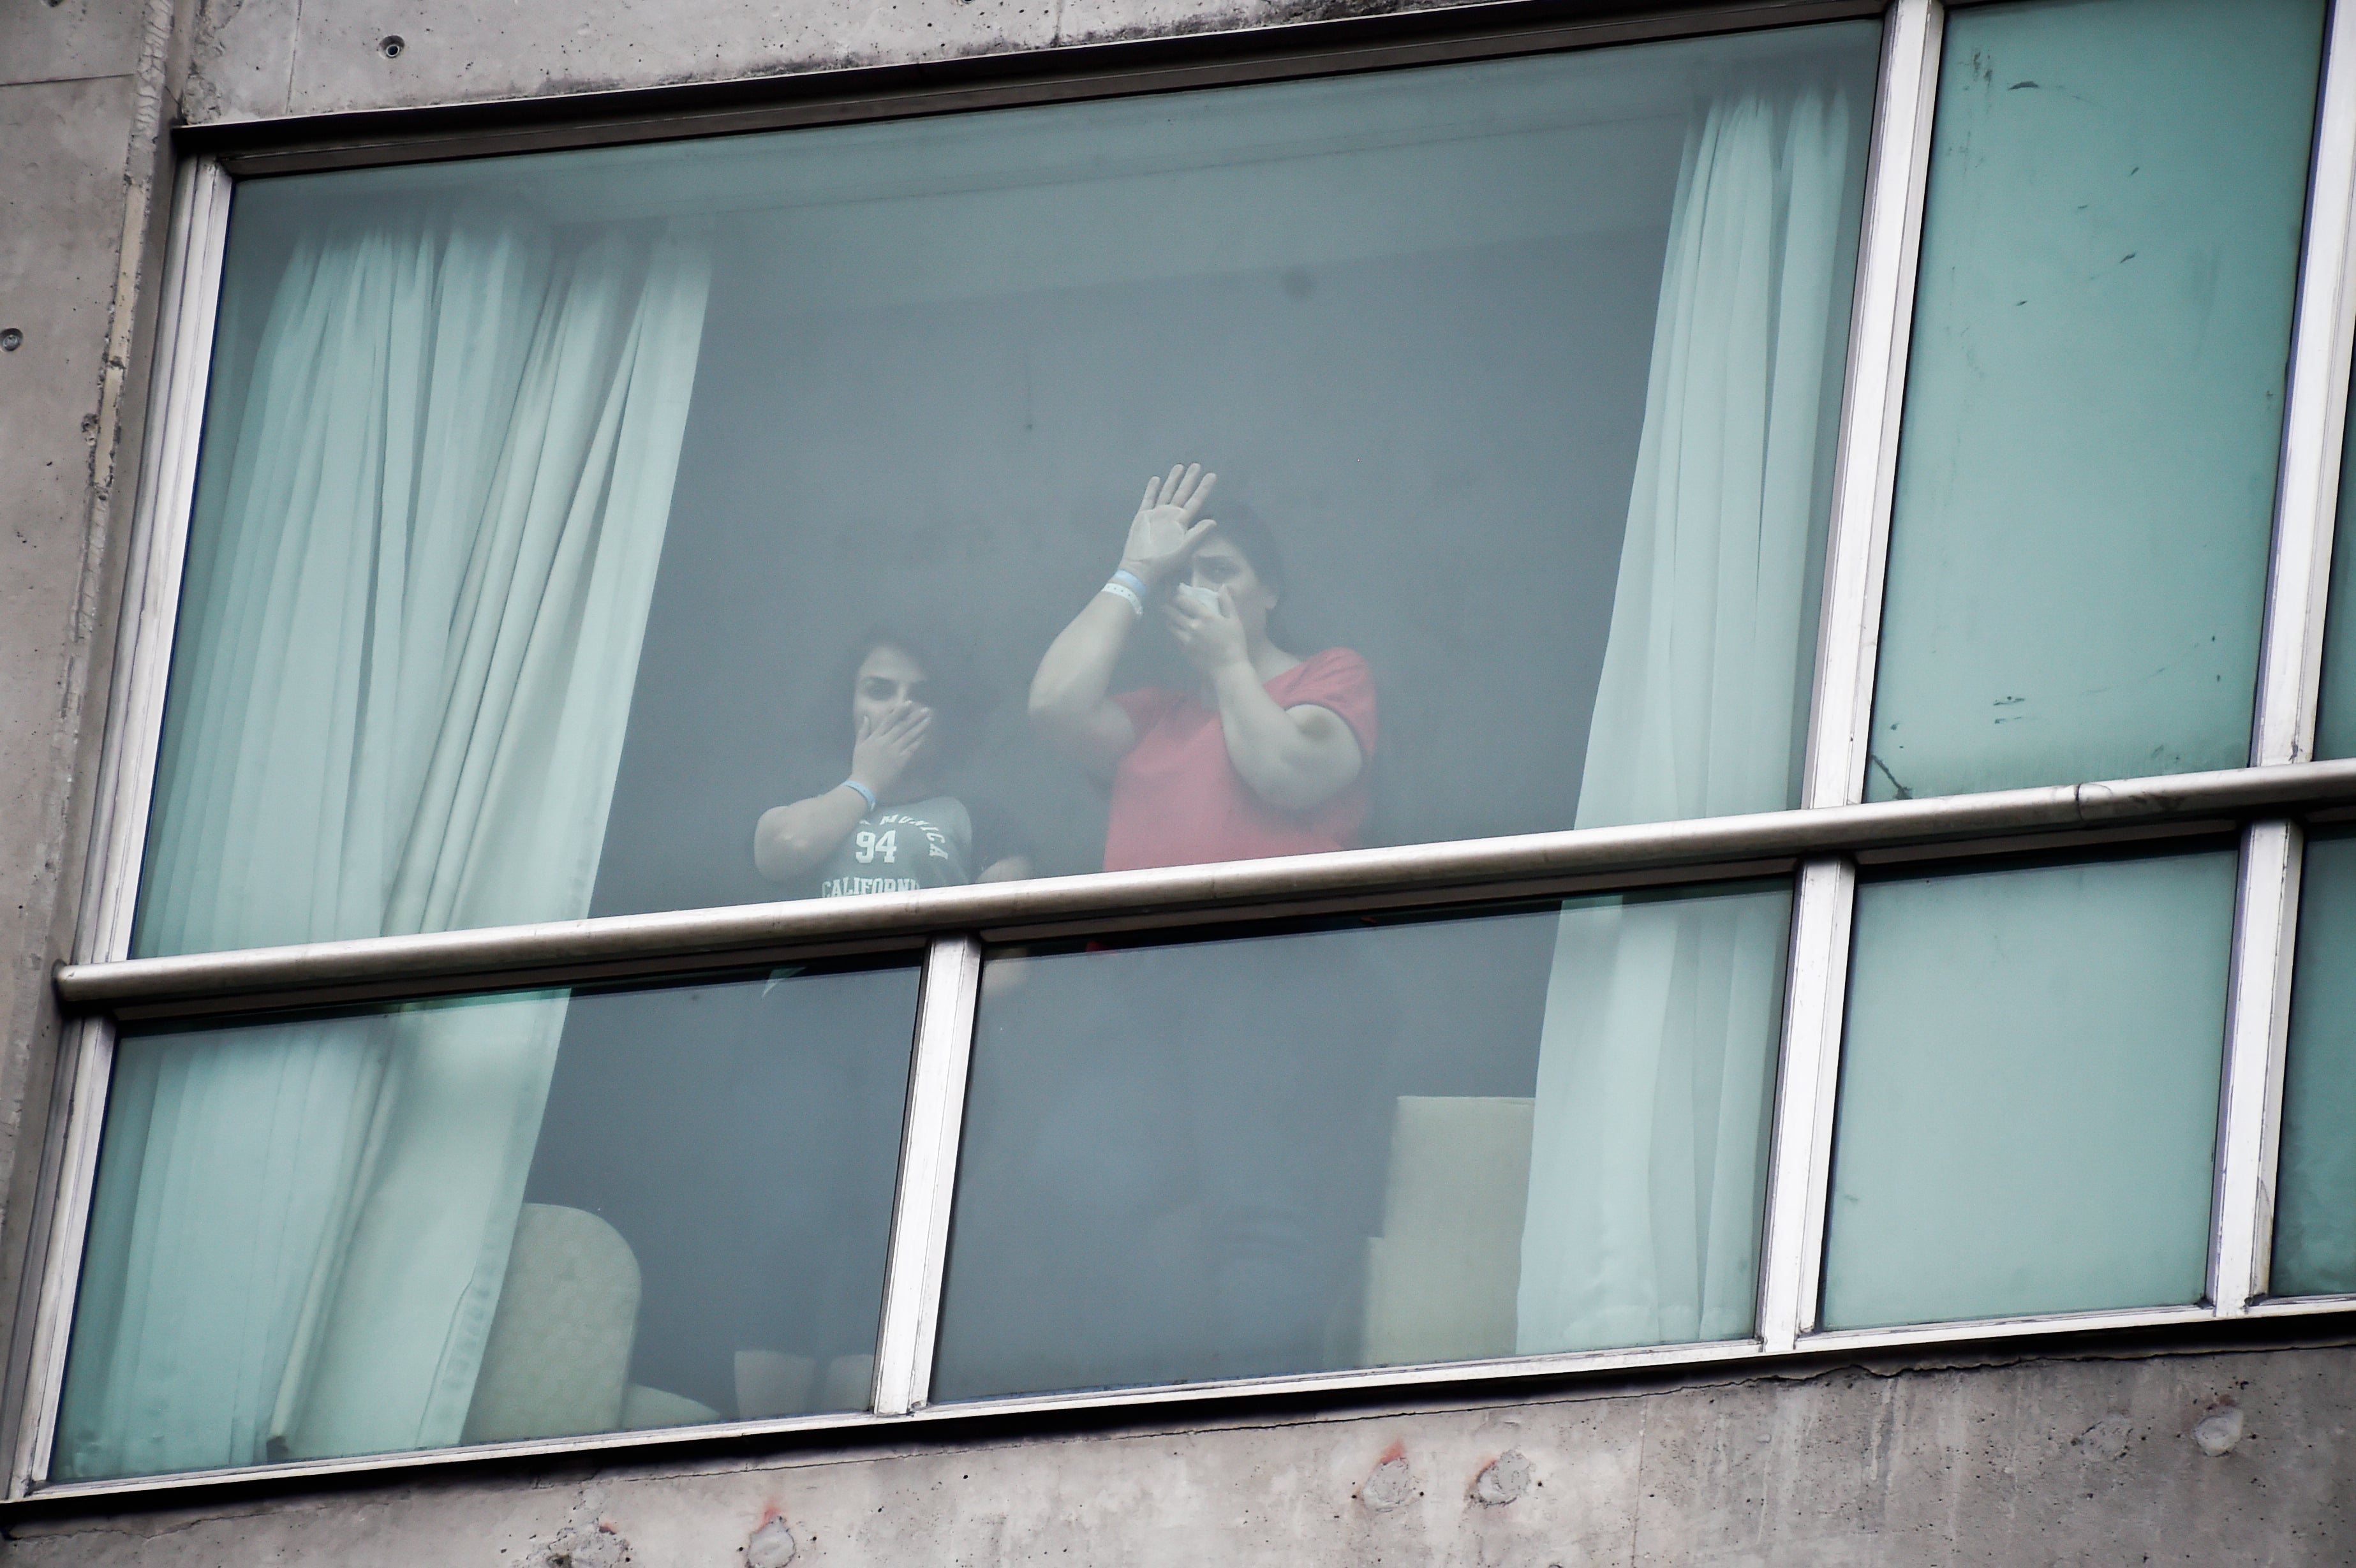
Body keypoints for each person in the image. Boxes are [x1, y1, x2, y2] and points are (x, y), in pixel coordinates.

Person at [1028, 463, 1376, 871]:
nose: (1196, 590)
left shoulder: (1331, 674)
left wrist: (1228, 663)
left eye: (1219, 571)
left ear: (1270, 591)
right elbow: (1055, 707)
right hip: (1152, 936)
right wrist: (1136, 571)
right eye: (1179, 578)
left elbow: (1287, 775)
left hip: (1280, 934)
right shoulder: (1154, 720)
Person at [755, 630, 1030, 896]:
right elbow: (780, 851)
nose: (900, 707)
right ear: (847, 705)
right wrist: (866, 782)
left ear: (951, 719)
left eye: (924, 696)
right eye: (879, 691)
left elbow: (1004, 924)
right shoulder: (812, 803)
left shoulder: (985, 822)